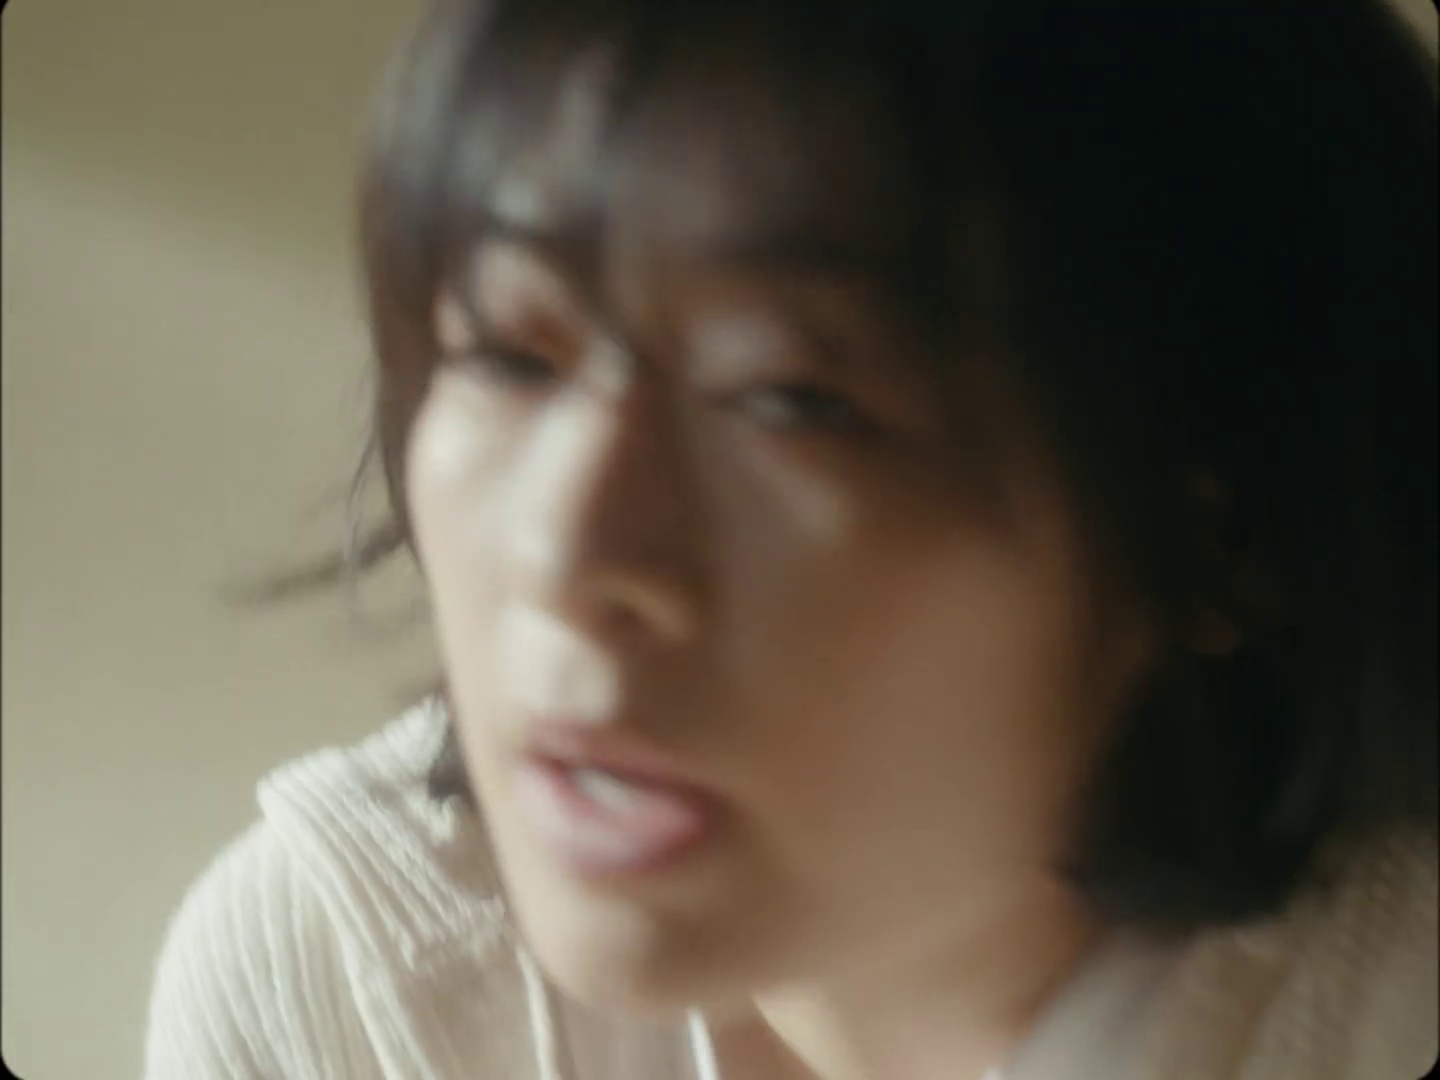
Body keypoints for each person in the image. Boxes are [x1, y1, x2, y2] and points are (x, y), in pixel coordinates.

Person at [143, 0, 1438, 1077]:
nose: (566, 555)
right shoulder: (352, 993)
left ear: (1221, 530)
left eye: (792, 401)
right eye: (509, 356)